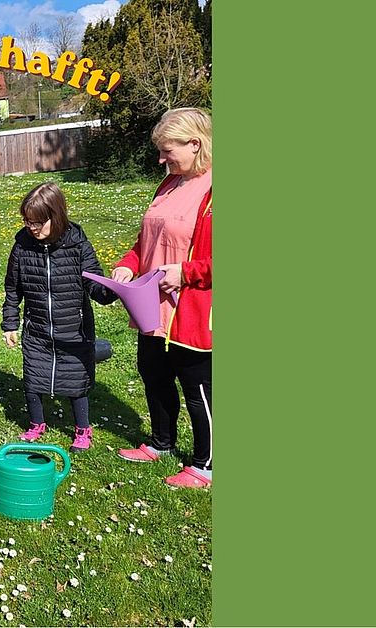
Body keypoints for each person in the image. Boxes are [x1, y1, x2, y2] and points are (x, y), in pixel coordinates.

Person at [113, 108, 213, 488]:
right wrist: (128, 264)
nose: (161, 159)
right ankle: (161, 443)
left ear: (195, 144)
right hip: (152, 306)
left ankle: (205, 465)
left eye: (167, 150)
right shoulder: (168, 184)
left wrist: (185, 273)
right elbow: (147, 241)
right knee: (154, 375)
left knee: (198, 390)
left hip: (192, 312)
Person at [1, 183, 117, 452]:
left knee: (76, 381)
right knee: (33, 378)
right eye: (28, 221)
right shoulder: (22, 246)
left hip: (74, 329)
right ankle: (36, 424)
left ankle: (82, 429)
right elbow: (13, 289)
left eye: (38, 222)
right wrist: (10, 323)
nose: (32, 228)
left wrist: (111, 291)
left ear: (57, 216)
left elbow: (94, 282)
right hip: (37, 328)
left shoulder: (78, 245)